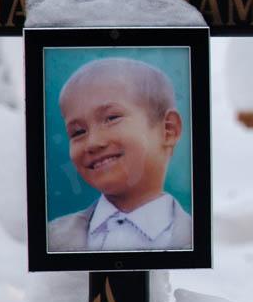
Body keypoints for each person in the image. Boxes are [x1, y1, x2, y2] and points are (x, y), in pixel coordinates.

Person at [45, 56, 195, 252]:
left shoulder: (196, 238)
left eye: (111, 118)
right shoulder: (52, 239)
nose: (93, 142)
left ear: (168, 129)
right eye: (78, 132)